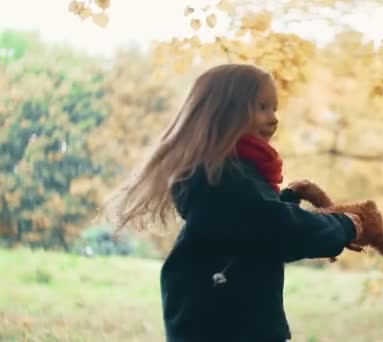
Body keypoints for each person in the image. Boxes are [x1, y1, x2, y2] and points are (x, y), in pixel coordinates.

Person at [106, 63, 363, 341]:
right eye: (262, 107)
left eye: (274, 108)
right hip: (225, 322)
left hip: (222, 314)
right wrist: (344, 225)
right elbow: (278, 230)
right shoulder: (223, 177)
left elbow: (254, 223)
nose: (273, 118)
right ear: (224, 112)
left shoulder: (230, 172)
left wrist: (287, 200)